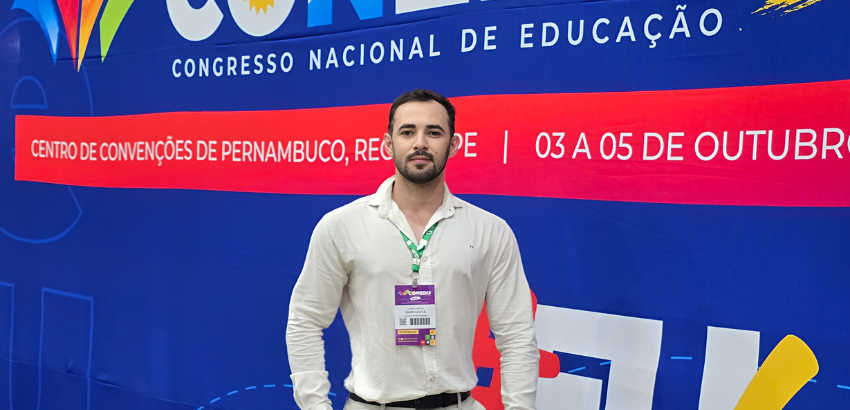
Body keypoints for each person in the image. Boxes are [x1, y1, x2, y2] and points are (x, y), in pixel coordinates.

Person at [286, 89, 538, 410]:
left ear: (453, 144)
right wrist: (315, 406)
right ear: (388, 143)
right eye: (407, 132)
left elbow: (517, 336)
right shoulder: (342, 226)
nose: (420, 143)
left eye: (434, 132)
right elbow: (305, 321)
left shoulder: (490, 230)